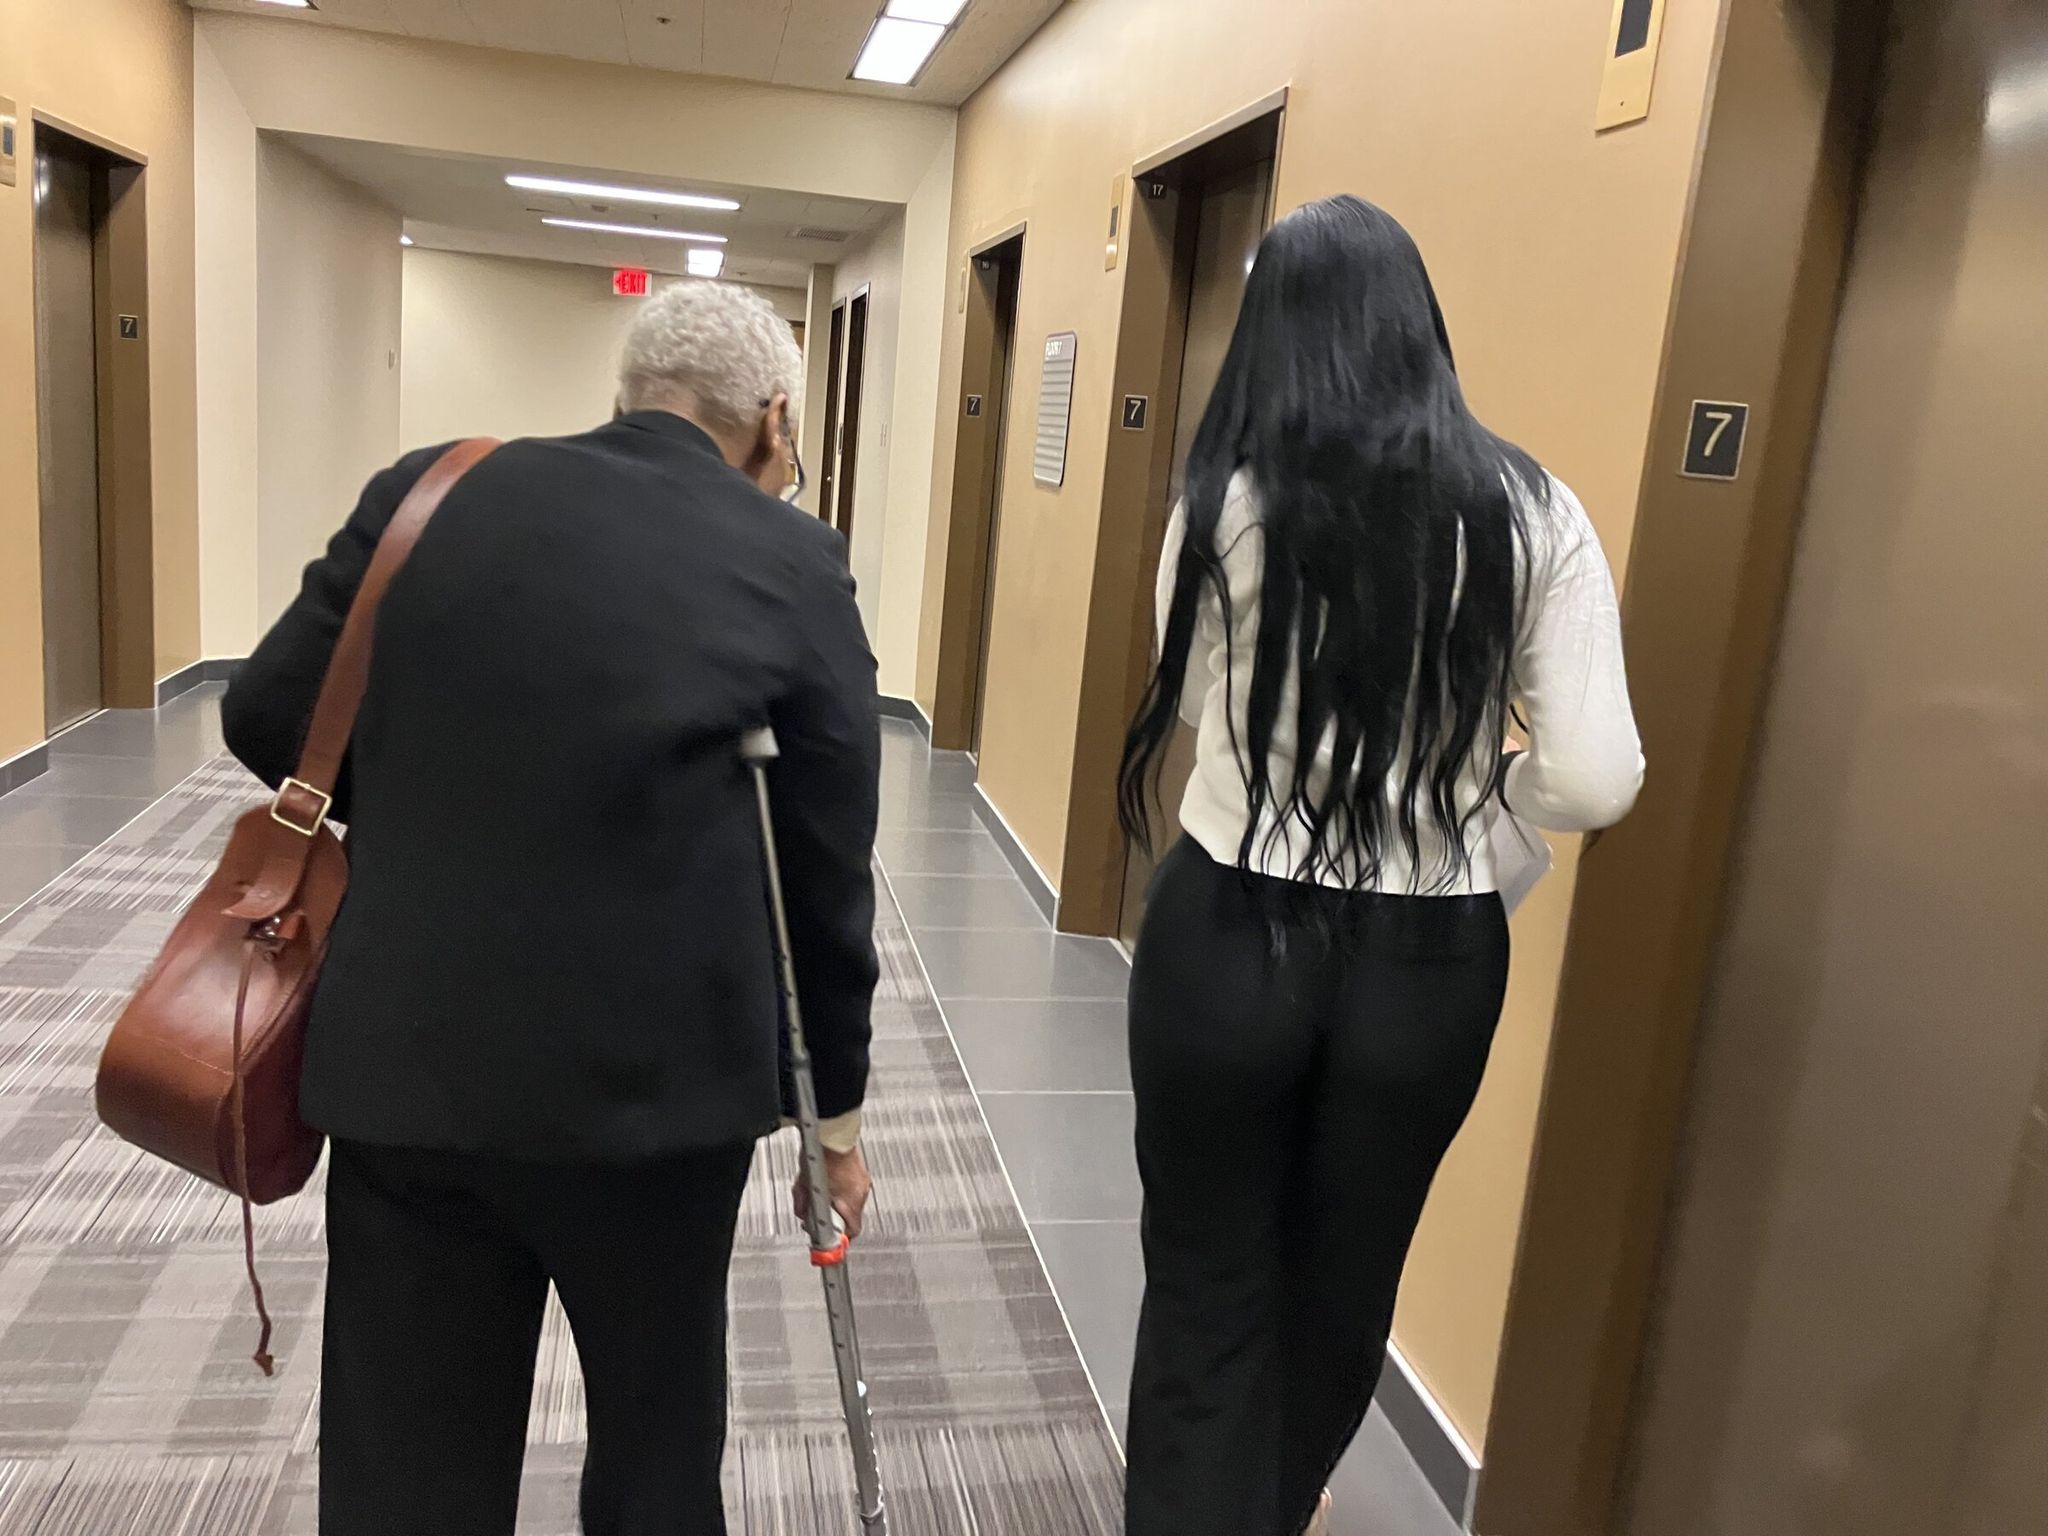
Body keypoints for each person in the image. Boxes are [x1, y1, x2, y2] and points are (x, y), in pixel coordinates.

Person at [221, 281, 881, 1536]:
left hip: (410, 1069)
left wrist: (433, 804)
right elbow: (823, 862)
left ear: (625, 390)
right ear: (775, 421)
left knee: (404, 1463)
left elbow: (266, 714)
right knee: (653, 1449)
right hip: (655, 1100)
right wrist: (831, 1119)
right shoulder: (790, 557)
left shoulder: (429, 490)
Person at [1116, 197, 1644, 1536]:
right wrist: (1483, 795)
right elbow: (1596, 777)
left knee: (1203, 1275)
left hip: (1228, 930)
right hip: (1429, 960)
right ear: (1422, 329)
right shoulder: (1534, 511)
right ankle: (1282, 1505)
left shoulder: (1218, 503)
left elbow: (1192, 712)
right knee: (1344, 1279)